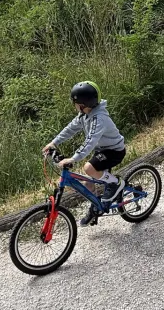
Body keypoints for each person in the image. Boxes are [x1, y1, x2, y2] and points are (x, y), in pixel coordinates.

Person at [43, 81, 126, 226]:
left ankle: (115, 183)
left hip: (114, 151)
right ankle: (95, 207)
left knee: (89, 168)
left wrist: (73, 158)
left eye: (74, 103)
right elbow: (70, 129)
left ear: (82, 104)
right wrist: (54, 143)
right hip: (102, 150)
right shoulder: (84, 115)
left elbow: (90, 141)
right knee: (88, 183)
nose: (73, 105)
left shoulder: (99, 118)